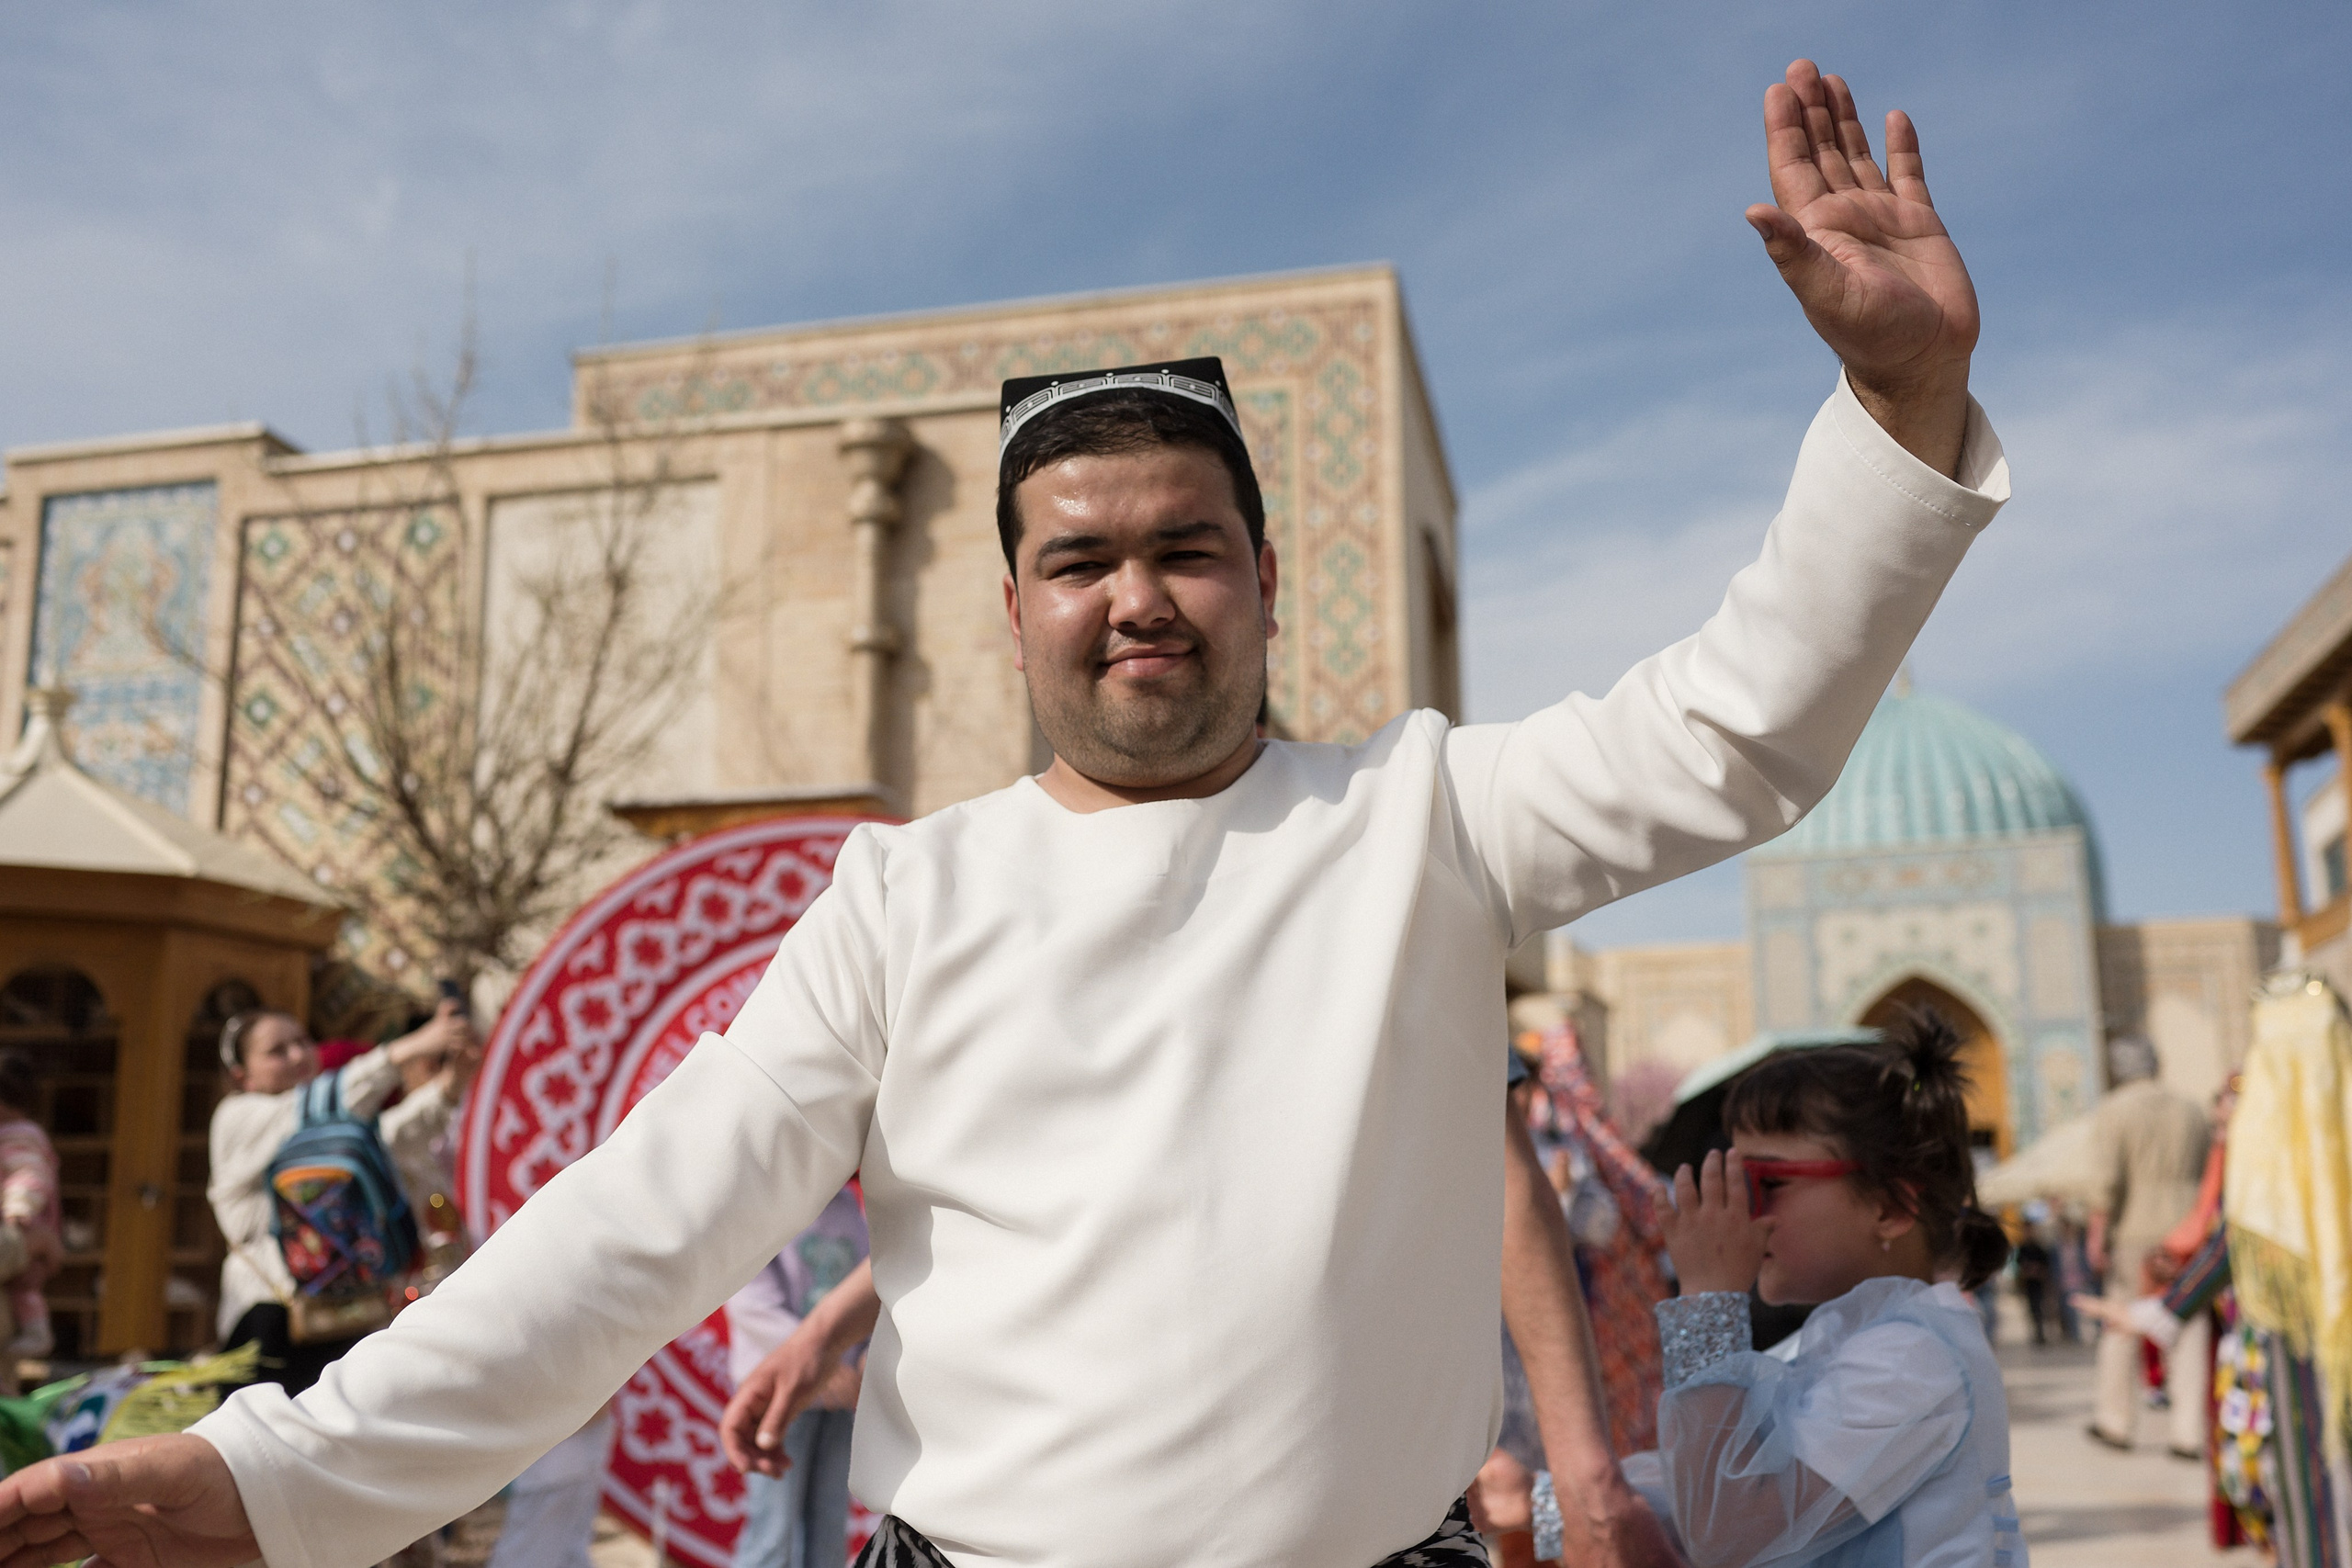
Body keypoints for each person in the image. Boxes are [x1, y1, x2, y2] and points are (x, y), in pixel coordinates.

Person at [0, 59, 2009, 1568]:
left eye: (1185, 547)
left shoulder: (1423, 816)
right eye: (1079, 558)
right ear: (1013, 606)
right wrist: (282, 1470)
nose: (1135, 593)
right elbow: (629, 1230)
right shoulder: (904, 896)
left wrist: (1896, 410)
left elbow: (1742, 725)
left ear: (1260, 579)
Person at [1645, 1017, 2020, 1568]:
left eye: (1766, 1183)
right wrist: (1547, 1500)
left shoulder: (1910, 1361)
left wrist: (1707, 1301)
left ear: (1890, 1207)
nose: (1741, 1211)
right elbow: (1694, 1478)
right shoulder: (1855, 1341)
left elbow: (1725, 1532)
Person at [205, 1003, 476, 1395]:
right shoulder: (238, 1117)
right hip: (267, 1315)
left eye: (302, 1042)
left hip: (344, 1316)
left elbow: (388, 1137)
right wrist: (409, 1047)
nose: (298, 1055)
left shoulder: (332, 1121)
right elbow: (315, 1106)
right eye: (277, 1051)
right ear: (241, 1075)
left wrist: (451, 1084)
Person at [728, 1185, 870, 1568]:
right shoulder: (763, 1202)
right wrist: (820, 1360)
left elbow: (874, 1289)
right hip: (777, 1394)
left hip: (842, 1399)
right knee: (773, 1528)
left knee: (828, 1525)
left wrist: (863, 1356)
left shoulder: (854, 1208)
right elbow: (749, 1301)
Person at [2084, 1034, 2211, 1451]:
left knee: (2122, 1319)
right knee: (2188, 1324)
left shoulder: (2115, 1110)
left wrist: (2096, 1236)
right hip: (2187, 1231)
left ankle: (2114, 1420)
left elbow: (2106, 1181)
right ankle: (2188, 1432)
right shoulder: (2192, 1110)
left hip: (2135, 1232)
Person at [0, 1051, 62, 1360]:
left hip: (20, 1221)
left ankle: (36, 1332)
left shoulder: (18, 1136)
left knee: (24, 1292)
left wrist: (19, 1213)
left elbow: (29, 1177)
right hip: (21, 1231)